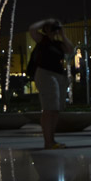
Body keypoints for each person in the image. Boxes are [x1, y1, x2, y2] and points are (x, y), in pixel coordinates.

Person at [29, 18, 74, 150]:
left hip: (58, 76)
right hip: (45, 74)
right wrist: (46, 21)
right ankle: (48, 142)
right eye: (52, 28)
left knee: (55, 109)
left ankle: (52, 140)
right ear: (46, 29)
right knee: (49, 109)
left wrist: (63, 34)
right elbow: (32, 28)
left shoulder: (59, 44)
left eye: (55, 28)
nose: (54, 30)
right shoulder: (42, 40)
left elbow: (70, 50)